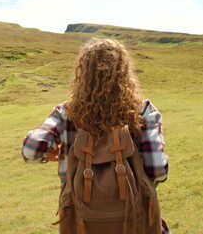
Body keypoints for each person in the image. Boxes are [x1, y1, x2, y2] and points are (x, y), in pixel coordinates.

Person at [22, 37, 170, 233]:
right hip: (134, 221)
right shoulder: (143, 112)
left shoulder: (66, 113)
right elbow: (158, 169)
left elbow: (31, 149)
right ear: (124, 72)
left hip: (80, 221)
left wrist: (50, 152)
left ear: (83, 74)